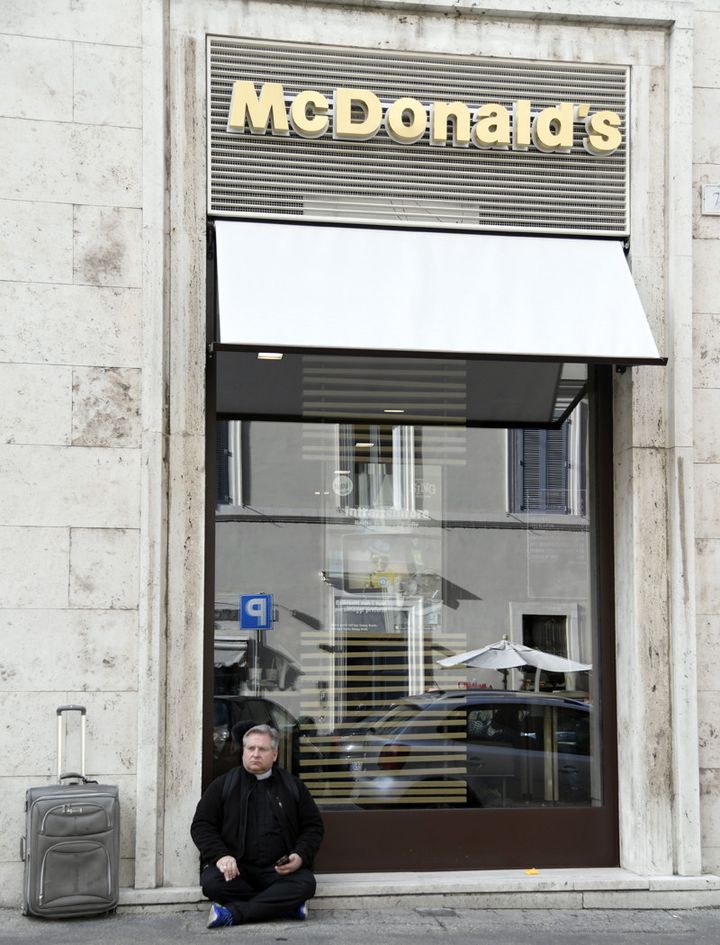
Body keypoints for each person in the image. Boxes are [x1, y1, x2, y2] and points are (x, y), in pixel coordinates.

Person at [190, 723, 324, 929]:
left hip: (279, 872)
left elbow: (313, 826)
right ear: (243, 752)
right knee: (211, 883)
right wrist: (221, 856)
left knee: (306, 884)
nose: (255, 754)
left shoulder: (292, 786)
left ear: (275, 754)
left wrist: (300, 856)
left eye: (262, 749)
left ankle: (234, 913)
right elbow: (202, 825)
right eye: (250, 748)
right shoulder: (223, 785)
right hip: (238, 871)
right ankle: (284, 906)